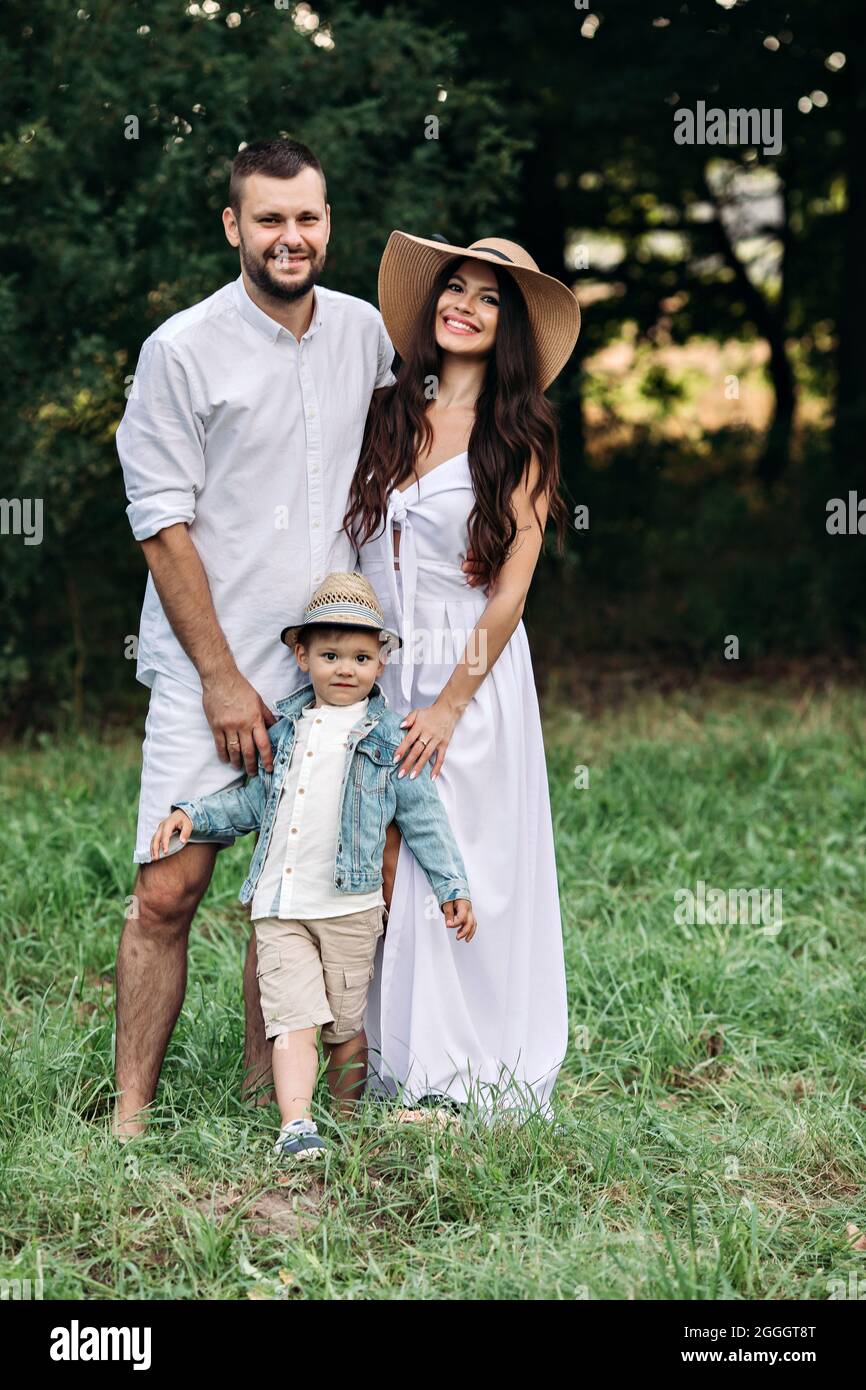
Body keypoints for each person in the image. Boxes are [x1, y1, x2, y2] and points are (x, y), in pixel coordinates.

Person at [113, 138, 396, 1139]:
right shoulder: (181, 349)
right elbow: (160, 522)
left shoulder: (365, 333)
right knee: (168, 889)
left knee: (295, 898)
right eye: (268, 218)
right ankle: (131, 1116)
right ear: (233, 226)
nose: (290, 236)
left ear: (328, 224)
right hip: (213, 672)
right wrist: (223, 677)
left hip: (330, 676)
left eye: (307, 217)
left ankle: (263, 1101)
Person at [345, 231, 580, 1119]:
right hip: (380, 666)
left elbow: (511, 596)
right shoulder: (389, 414)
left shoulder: (518, 437)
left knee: (466, 863)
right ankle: (392, 1063)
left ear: (507, 326)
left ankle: (465, 1075)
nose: (465, 306)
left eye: (488, 297)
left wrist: (446, 708)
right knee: (388, 862)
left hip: (469, 675)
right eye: (456, 288)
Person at [150, 574, 476, 1159]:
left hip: (350, 908)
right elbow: (252, 801)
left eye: (359, 656)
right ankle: (296, 1127)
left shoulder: (386, 741)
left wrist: (452, 885)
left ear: (380, 663)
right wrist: (192, 815)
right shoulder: (286, 731)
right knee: (293, 1021)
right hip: (281, 905)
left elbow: (425, 819)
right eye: (329, 655)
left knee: (344, 1029)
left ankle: (347, 1119)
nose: (344, 668)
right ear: (302, 656)